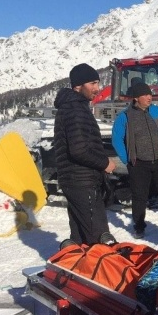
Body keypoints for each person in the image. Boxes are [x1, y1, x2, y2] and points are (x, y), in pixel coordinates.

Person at [53, 63, 117, 246]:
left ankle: (76, 260)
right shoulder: (75, 110)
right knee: (99, 238)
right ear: (78, 86)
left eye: (98, 83)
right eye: (92, 83)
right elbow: (79, 150)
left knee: (81, 237)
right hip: (81, 180)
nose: (97, 88)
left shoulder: (73, 107)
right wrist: (105, 163)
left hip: (76, 180)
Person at [111, 81, 158, 238]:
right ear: (136, 98)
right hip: (139, 164)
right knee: (139, 196)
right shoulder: (125, 116)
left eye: (150, 94)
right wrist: (128, 160)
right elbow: (117, 139)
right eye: (145, 95)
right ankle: (139, 227)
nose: (149, 97)